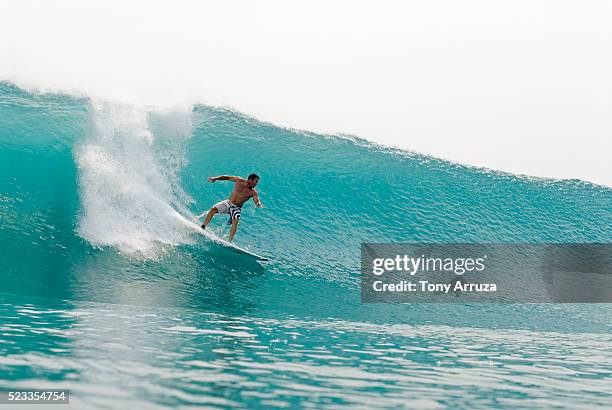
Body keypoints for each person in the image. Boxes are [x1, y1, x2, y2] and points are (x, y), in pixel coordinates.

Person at [201, 173, 263, 242]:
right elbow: (227, 177)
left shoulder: (253, 192)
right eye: (256, 181)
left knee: (235, 222)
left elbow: (256, 200)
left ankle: (229, 241)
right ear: (250, 180)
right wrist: (215, 178)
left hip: (236, 208)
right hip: (228, 203)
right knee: (213, 209)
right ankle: (203, 226)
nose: (256, 183)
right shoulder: (239, 180)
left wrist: (258, 203)